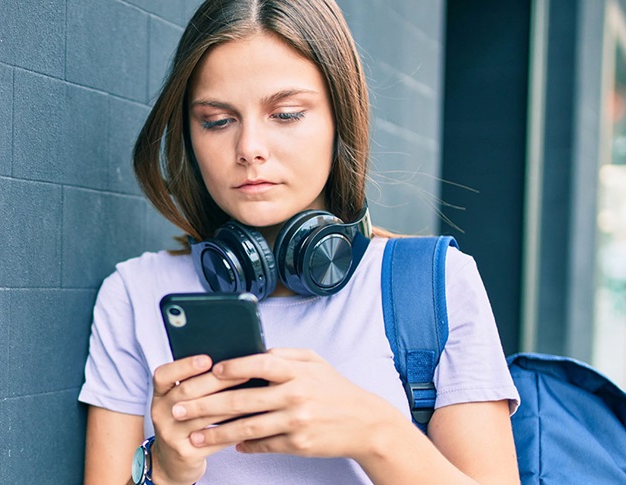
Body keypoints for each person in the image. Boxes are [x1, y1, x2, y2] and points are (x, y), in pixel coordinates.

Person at [77, 1, 520, 483]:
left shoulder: (432, 286)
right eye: (217, 120)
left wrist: (377, 433)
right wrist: (161, 470)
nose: (249, 149)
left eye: (285, 114)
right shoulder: (136, 293)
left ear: (340, 119)